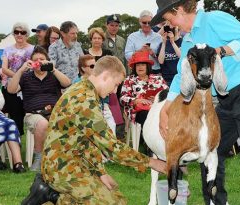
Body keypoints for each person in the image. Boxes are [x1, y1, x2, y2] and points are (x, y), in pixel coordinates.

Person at [151, 0, 240, 204]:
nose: (171, 24)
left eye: (170, 18)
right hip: (224, 99)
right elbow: (180, 75)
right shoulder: (187, 42)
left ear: (180, 10)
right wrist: (165, 108)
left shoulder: (214, 19)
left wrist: (220, 51)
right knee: (210, 153)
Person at [22, 56, 167, 204]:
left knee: (118, 200)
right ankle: (52, 196)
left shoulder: (84, 90)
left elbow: (90, 141)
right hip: (62, 169)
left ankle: (51, 195)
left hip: (73, 162)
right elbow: (111, 146)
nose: (114, 91)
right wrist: (152, 162)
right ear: (105, 76)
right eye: (116, 84)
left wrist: (100, 173)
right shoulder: (85, 100)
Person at [7, 47, 71, 171]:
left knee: (69, 121)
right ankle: (39, 158)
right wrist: (20, 70)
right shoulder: (26, 77)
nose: (39, 62)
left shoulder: (53, 75)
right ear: (30, 62)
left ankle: (64, 159)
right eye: (36, 60)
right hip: (33, 114)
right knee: (43, 124)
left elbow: (67, 83)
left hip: (54, 111)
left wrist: (53, 69)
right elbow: (11, 90)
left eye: (42, 59)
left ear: (47, 60)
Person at [1, 22, 34, 135]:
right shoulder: (7, 49)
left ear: (27, 35)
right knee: (15, 116)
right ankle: (17, 139)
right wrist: (18, 76)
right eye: (16, 32)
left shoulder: (33, 49)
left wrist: (20, 77)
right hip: (10, 86)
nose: (19, 34)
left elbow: (34, 68)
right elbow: (4, 68)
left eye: (22, 32)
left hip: (28, 86)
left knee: (30, 115)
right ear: (13, 34)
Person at [120, 51, 168, 126]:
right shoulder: (129, 80)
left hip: (157, 107)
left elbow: (168, 95)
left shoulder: (158, 78)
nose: (140, 67)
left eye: (143, 65)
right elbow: (122, 99)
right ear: (134, 67)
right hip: (139, 111)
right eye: (138, 65)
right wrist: (137, 100)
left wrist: (157, 98)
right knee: (146, 115)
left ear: (147, 66)